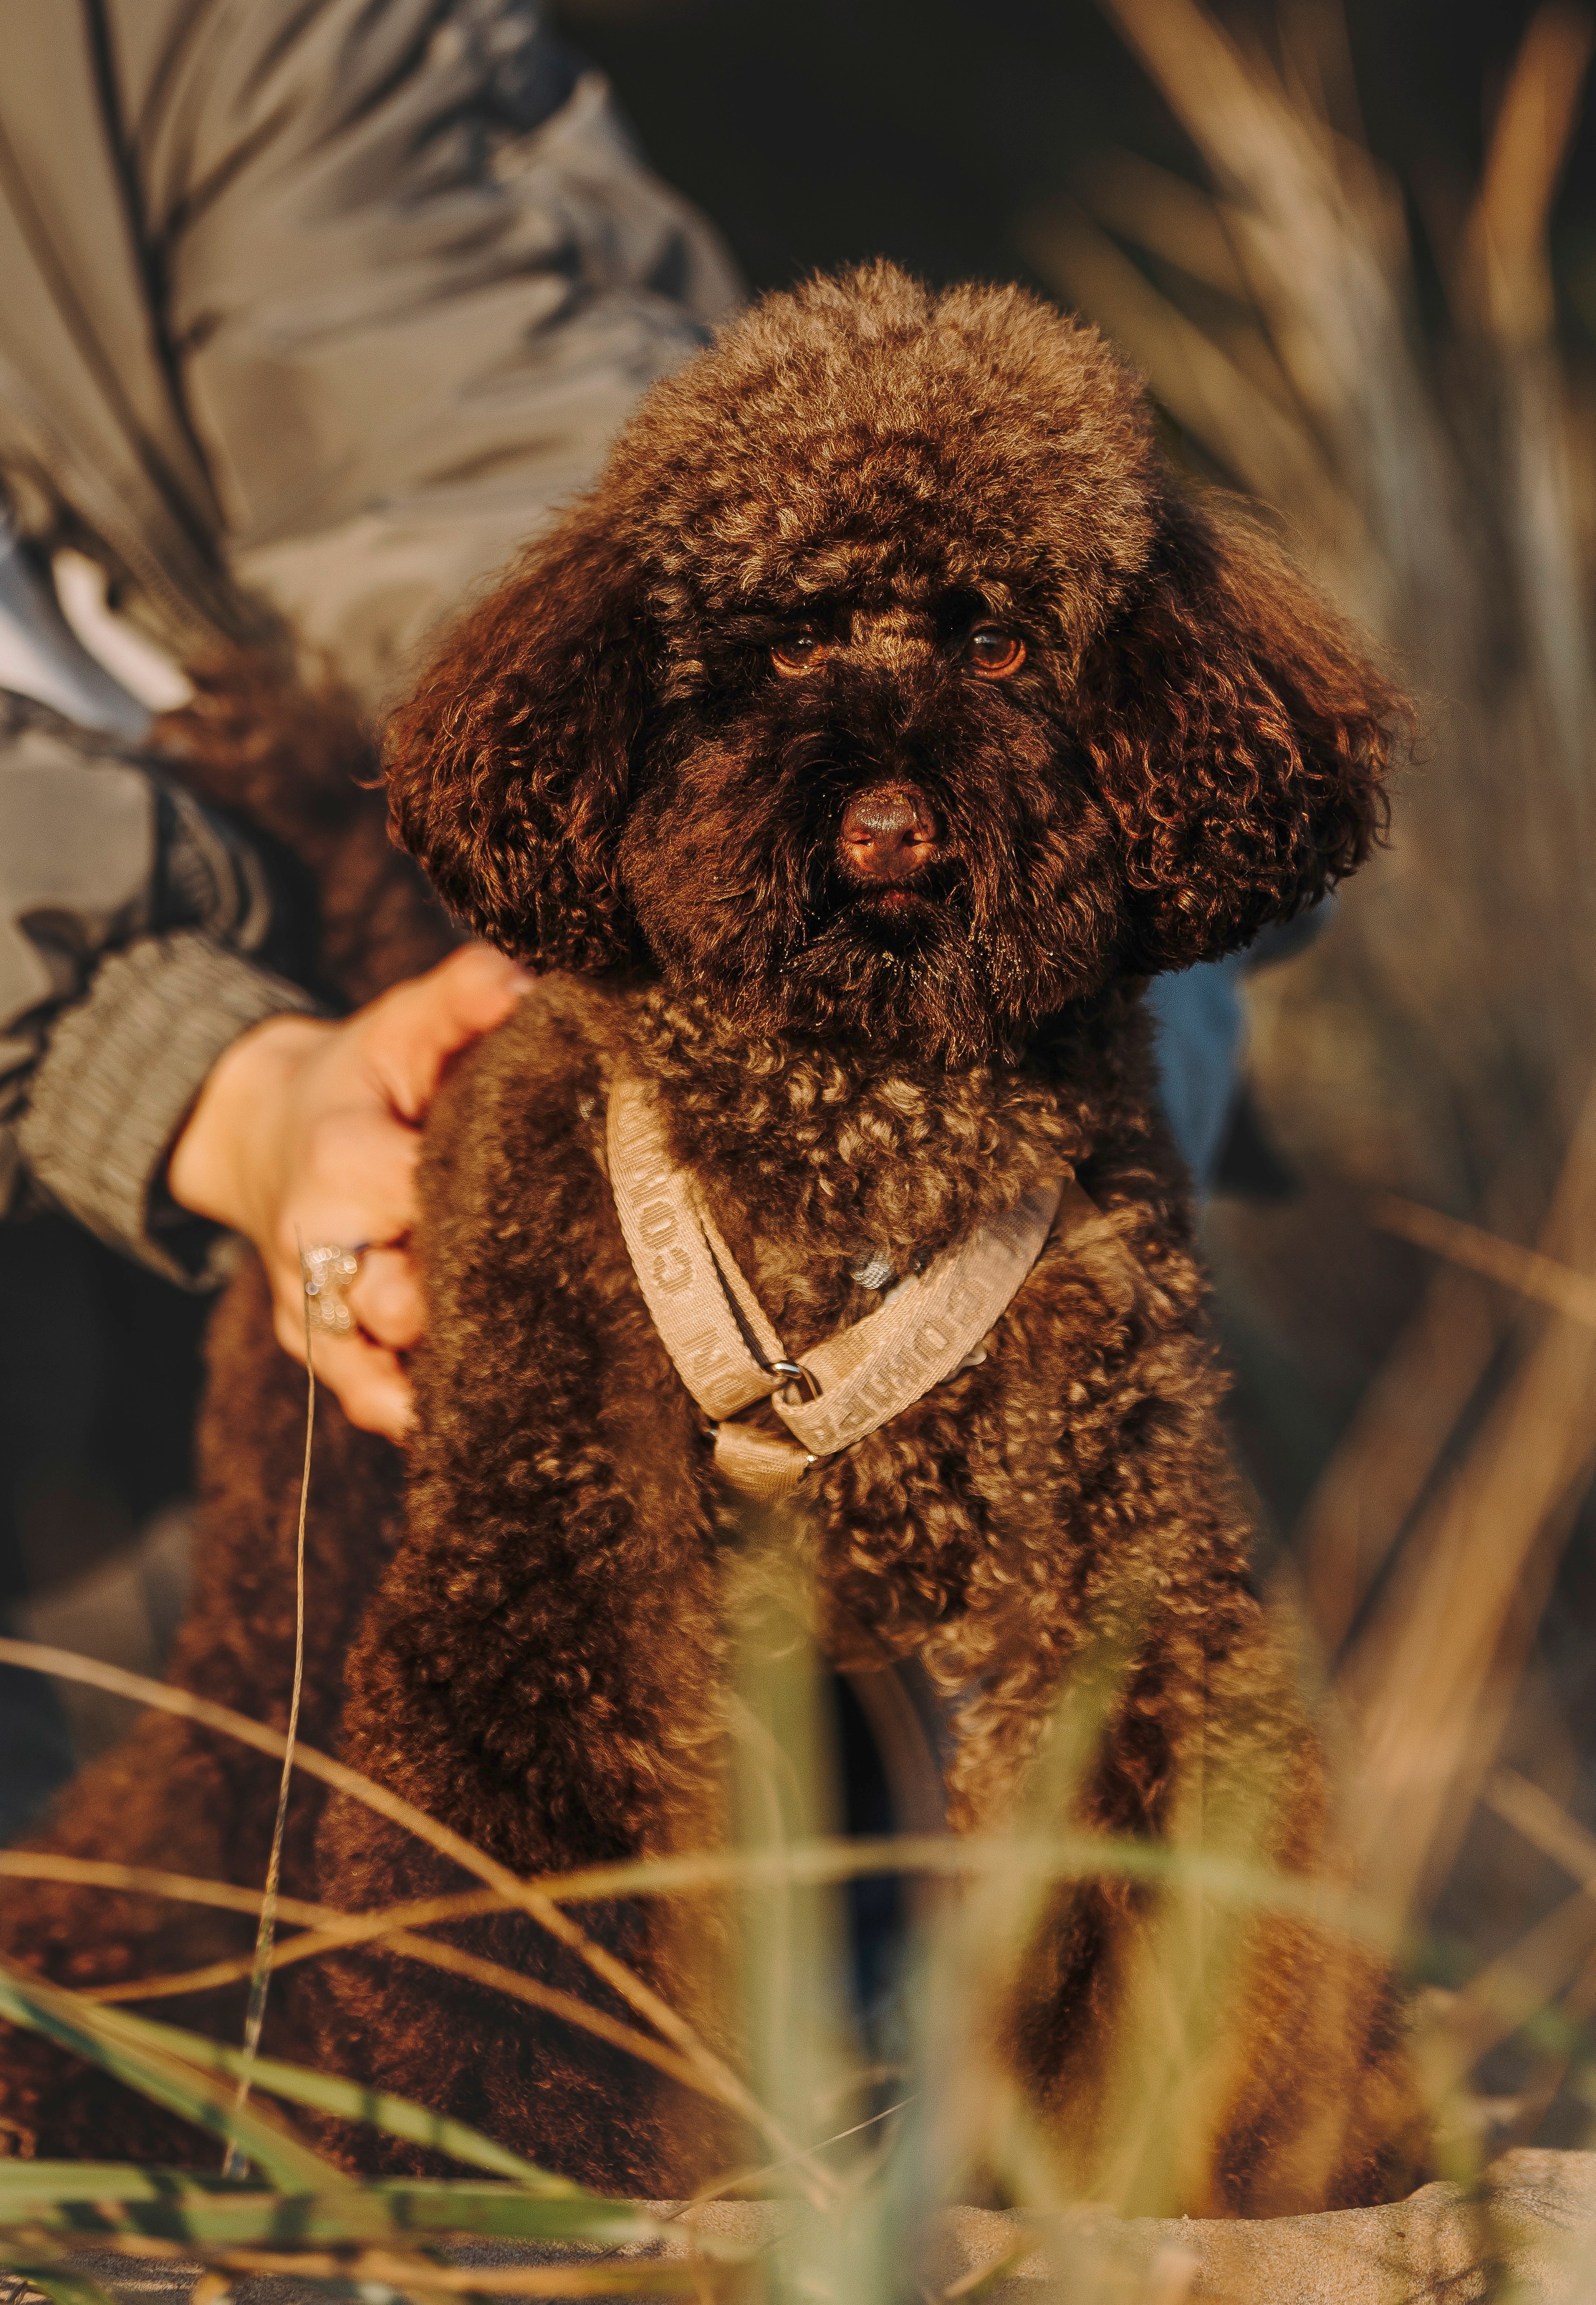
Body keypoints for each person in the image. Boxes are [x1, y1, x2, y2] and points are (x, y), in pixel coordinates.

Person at [0, 0, 739, 1834]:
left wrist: (678, 878)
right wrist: (200, 1076)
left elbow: (482, 475)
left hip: (314, 1169)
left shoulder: (202, 41)